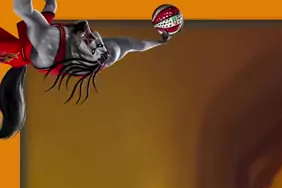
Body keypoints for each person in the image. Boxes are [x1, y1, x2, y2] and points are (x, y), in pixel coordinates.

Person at [0, 0, 171, 138]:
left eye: (88, 40)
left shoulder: (49, 42)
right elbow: (134, 44)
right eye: (96, 39)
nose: (89, 31)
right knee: (51, 5)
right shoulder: (107, 53)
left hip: (22, 51)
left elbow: (22, 8)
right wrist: (160, 41)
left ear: (78, 51)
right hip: (48, 45)